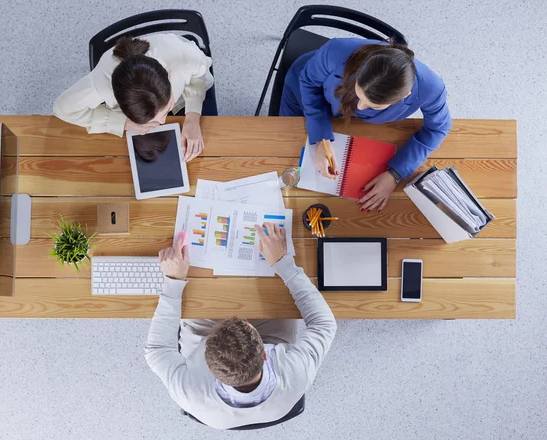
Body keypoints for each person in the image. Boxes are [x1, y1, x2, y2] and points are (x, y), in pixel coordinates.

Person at [145, 224, 337, 430]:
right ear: (265, 353)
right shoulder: (295, 373)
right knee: (279, 297)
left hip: (205, 338)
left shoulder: (188, 391)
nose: (242, 317)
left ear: (208, 366)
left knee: (195, 299)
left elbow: (157, 350)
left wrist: (173, 281)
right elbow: (324, 324)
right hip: (271, 338)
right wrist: (283, 263)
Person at [280, 38, 452, 212]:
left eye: (372, 105)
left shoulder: (431, 88)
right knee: (284, 150)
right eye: (359, 93)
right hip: (305, 99)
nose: (359, 107)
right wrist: (320, 138)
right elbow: (308, 83)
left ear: (404, 96)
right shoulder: (335, 51)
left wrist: (395, 174)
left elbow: (438, 128)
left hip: (358, 126)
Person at [53, 34, 215, 162]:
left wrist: (193, 118)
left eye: (165, 111)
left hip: (185, 102)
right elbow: (62, 108)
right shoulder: (101, 83)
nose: (163, 122)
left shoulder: (182, 55)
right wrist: (123, 123)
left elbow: (201, 74)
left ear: (168, 81)